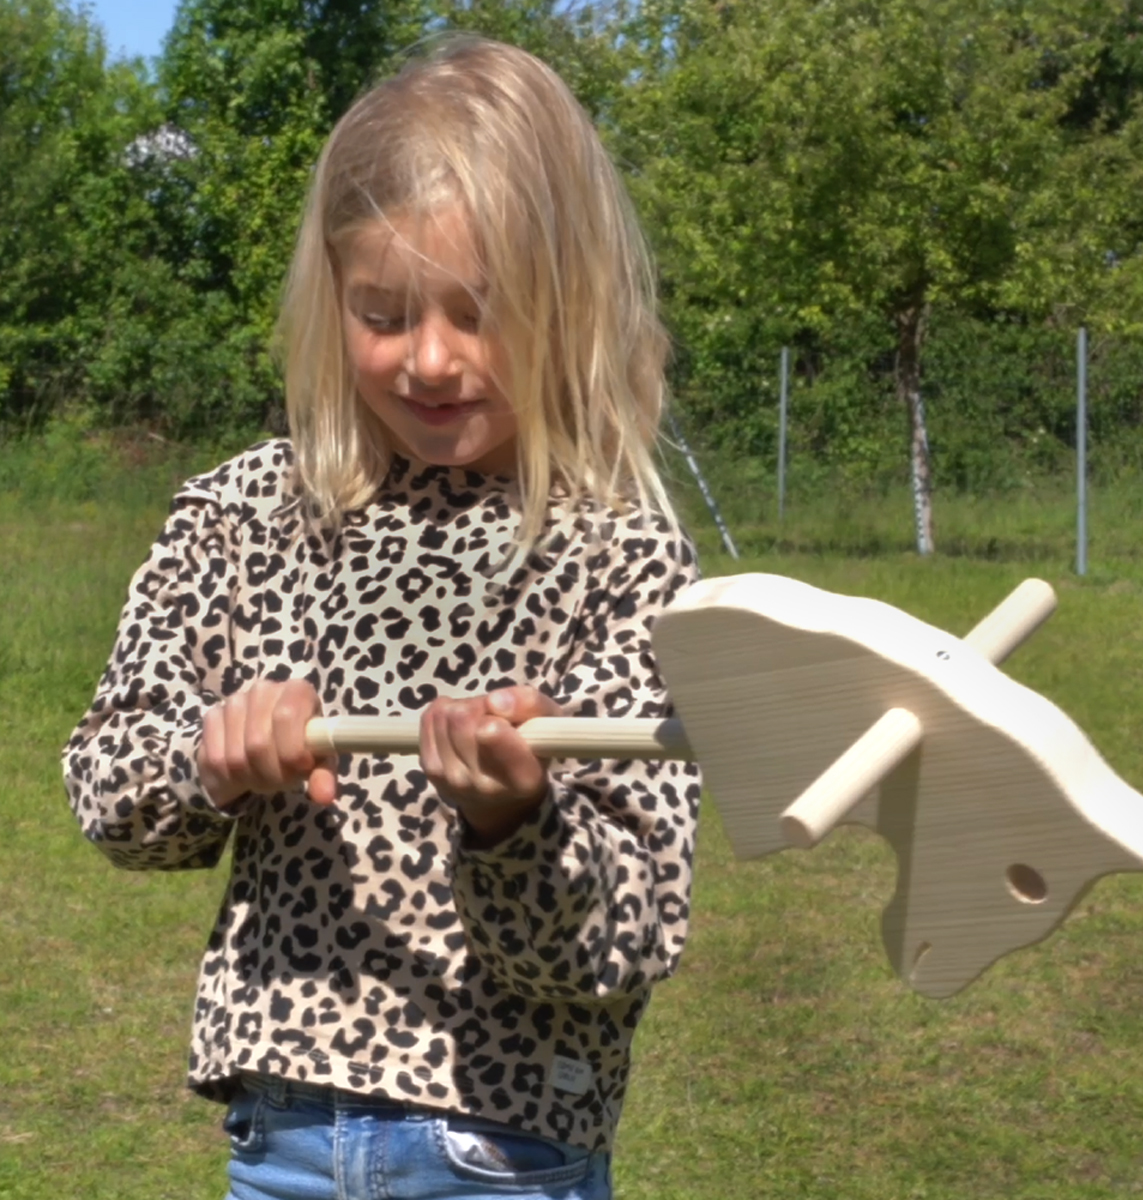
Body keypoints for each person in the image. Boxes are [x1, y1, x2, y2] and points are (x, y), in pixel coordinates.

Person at [62, 35, 701, 1200]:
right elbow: (108, 792)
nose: (431, 360)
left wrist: (514, 822)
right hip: (281, 1144)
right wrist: (212, 761)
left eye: (480, 311)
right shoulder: (247, 517)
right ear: (331, 298)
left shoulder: (620, 555)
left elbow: (626, 938)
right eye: (384, 314)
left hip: (503, 1155)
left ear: (572, 302)